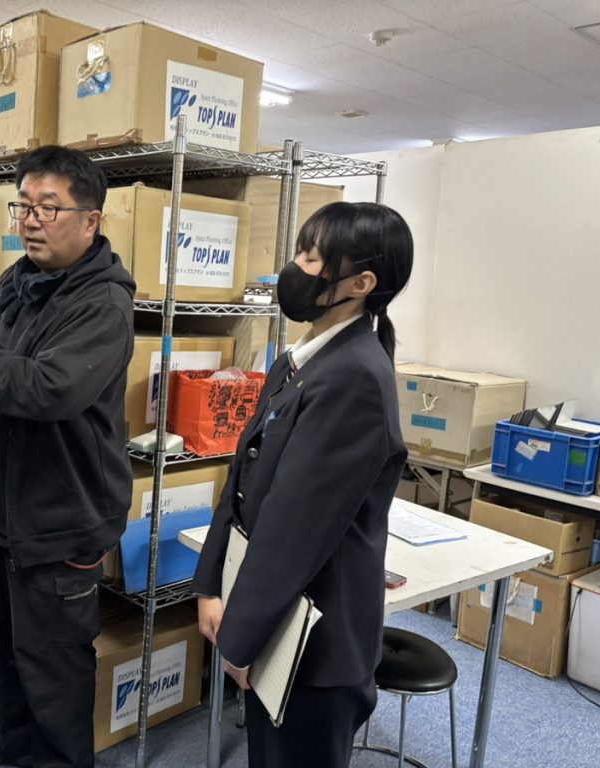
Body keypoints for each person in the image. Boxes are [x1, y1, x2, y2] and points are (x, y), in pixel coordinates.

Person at [192, 201, 414, 767]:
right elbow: (243, 481)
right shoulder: (300, 360)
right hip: (275, 618)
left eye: (313, 259)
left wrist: (241, 636)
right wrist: (211, 585)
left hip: (314, 644)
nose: (296, 269)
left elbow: (295, 528)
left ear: (361, 284)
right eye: (300, 252)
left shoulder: (354, 377)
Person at [0, 146, 135, 768]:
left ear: (90, 221)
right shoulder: (19, 281)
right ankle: (7, 748)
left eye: (48, 208)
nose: (30, 220)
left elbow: (41, 390)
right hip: (2, 512)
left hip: (59, 523)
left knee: (52, 671)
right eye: (23, 205)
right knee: (3, 650)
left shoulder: (102, 305)